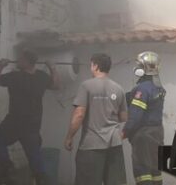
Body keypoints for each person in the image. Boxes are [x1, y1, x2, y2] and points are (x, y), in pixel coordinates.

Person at [0, 49, 60, 185]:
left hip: (15, 122)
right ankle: (41, 178)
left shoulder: (15, 76)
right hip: (32, 125)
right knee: (35, 160)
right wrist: (52, 67)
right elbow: (56, 85)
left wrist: (1, 65)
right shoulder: (41, 77)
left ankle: (7, 168)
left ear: (27, 62)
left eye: (20, 59)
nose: (17, 61)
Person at [64, 52, 128, 185]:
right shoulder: (119, 88)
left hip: (91, 147)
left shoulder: (86, 86)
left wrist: (69, 137)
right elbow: (123, 117)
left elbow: (79, 114)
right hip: (114, 145)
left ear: (95, 66)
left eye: (91, 64)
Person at [123, 51, 165, 184]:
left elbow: (136, 115)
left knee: (143, 172)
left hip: (143, 136)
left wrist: (125, 131)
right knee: (155, 171)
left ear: (142, 69)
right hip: (157, 134)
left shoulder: (141, 89)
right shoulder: (159, 88)